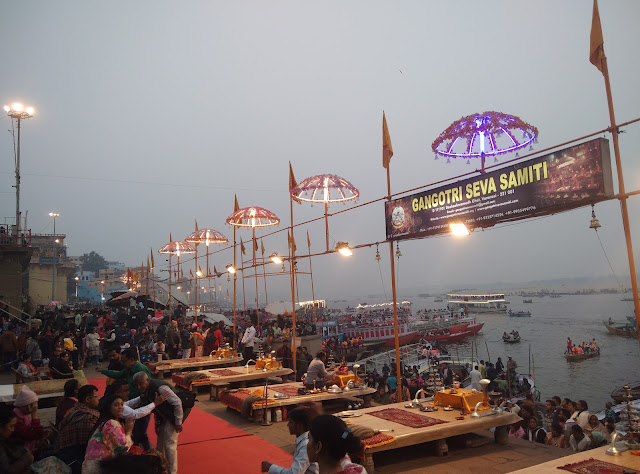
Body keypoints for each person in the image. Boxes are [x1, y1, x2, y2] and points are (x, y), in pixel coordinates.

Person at [98, 348, 153, 450]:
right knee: (135, 431)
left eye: (123, 361)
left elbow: (148, 388)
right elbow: (118, 375)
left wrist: (153, 404)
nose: (122, 363)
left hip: (142, 404)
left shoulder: (141, 370)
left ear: (132, 360)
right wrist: (103, 371)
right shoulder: (128, 369)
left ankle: (147, 452)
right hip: (132, 403)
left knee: (141, 432)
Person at [133, 372, 183, 474]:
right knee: (160, 443)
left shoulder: (160, 388)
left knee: (169, 444)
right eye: (136, 385)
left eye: (140, 383)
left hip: (173, 416)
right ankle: (160, 467)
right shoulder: (147, 391)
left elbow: (177, 402)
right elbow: (157, 409)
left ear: (147, 380)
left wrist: (178, 422)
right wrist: (157, 423)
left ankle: (172, 472)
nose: (138, 387)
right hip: (164, 416)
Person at [82, 395, 134, 474]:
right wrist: (128, 432)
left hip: (93, 465)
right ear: (109, 407)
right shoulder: (111, 423)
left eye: (122, 404)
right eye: (116, 405)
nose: (120, 407)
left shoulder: (104, 422)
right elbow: (123, 447)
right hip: (100, 467)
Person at [55, 384, 100, 473]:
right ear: (88, 399)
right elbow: (88, 444)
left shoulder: (75, 409)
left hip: (64, 451)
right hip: (71, 457)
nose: (99, 398)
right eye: (96, 396)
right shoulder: (86, 417)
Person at [261, 406, 319, 474]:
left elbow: (294, 473)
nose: (288, 425)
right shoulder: (306, 439)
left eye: (291, 422)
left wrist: (270, 467)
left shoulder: (305, 445)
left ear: (299, 426)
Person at [11, 386, 46, 455]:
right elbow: (34, 435)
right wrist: (34, 414)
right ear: (27, 406)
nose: (34, 408)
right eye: (33, 405)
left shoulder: (22, 415)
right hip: (24, 453)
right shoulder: (16, 421)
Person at [0, 404, 33, 473]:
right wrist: (27, 458)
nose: (13, 430)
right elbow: (7, 471)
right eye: (11, 426)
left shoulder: (5, 440)